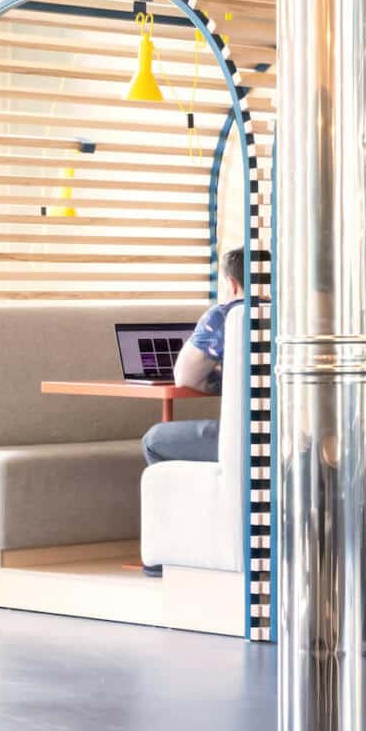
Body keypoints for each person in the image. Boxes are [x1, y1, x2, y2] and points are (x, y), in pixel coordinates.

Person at [138, 246, 246, 577]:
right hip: (302, 437)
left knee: (156, 439)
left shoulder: (228, 315)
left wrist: (226, 380)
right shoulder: (305, 314)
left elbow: (186, 377)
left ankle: (171, 554)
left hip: (248, 438)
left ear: (231, 282)